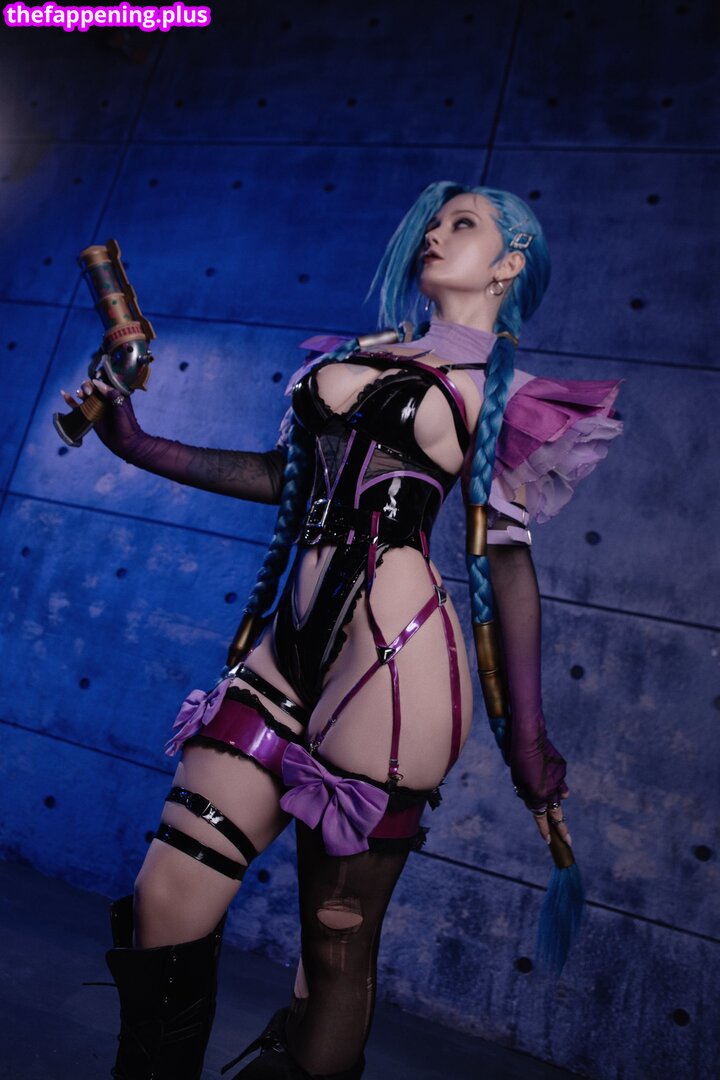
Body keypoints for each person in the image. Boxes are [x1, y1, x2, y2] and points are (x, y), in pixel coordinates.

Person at [61, 181, 622, 1080]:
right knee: (165, 897)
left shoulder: (508, 396)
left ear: (510, 264)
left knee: (334, 951)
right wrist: (138, 442)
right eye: (433, 222)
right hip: (283, 655)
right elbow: (282, 477)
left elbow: (510, 566)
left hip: (396, 670)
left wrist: (529, 736)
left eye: (464, 224)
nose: (436, 234)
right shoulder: (363, 351)